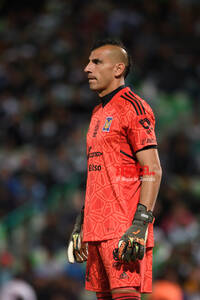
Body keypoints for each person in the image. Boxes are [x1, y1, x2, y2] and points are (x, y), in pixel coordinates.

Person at [67, 38, 162, 300]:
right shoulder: (98, 112)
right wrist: (84, 219)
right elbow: (100, 170)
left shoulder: (134, 106)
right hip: (97, 227)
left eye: (96, 62)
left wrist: (141, 223)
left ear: (118, 69)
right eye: (88, 62)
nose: (87, 68)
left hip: (123, 226)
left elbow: (152, 168)